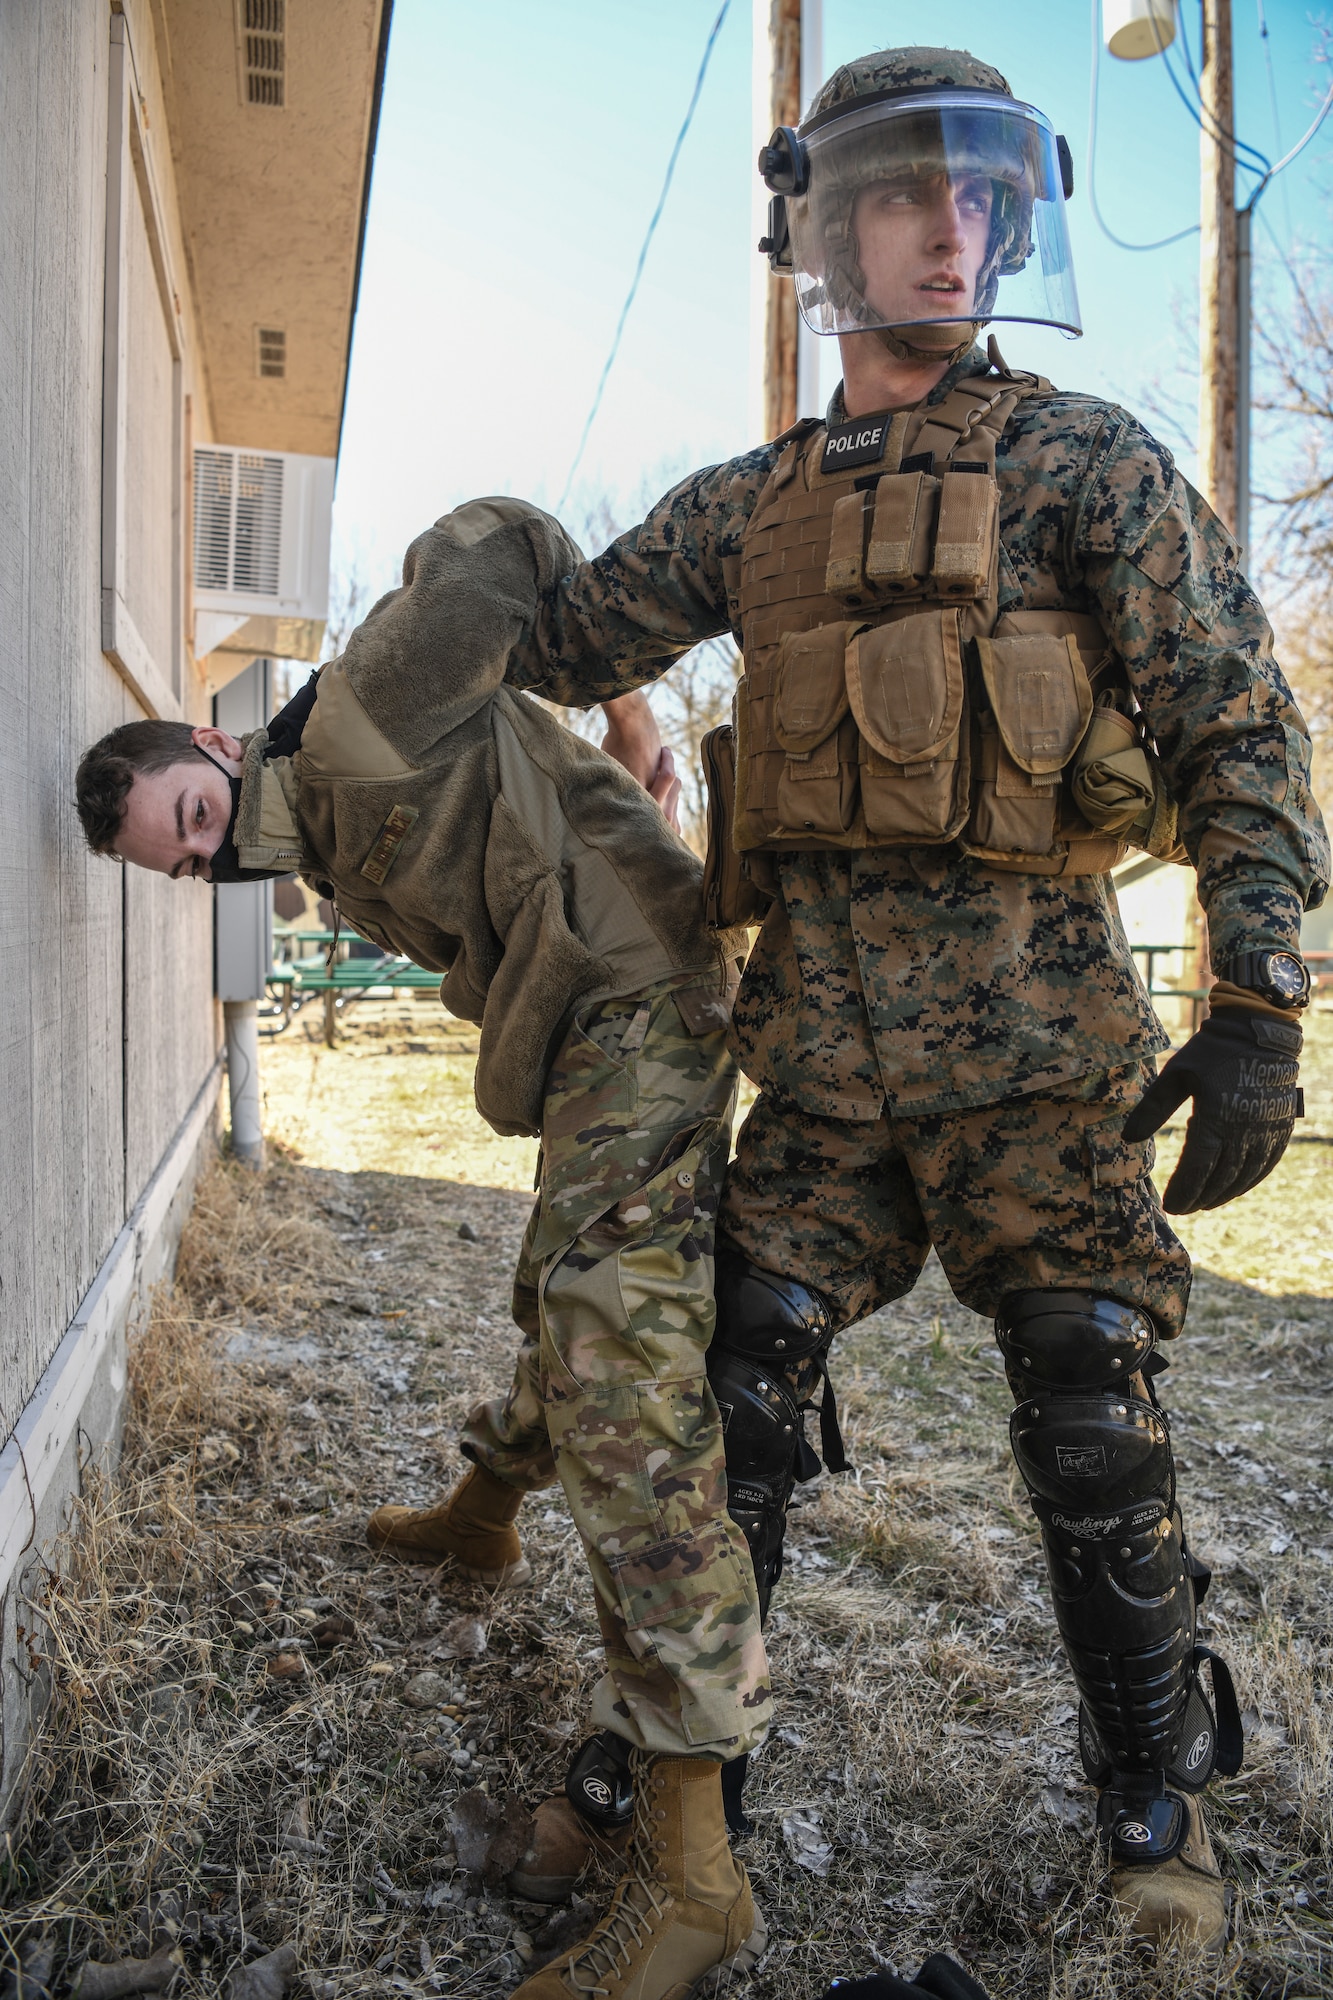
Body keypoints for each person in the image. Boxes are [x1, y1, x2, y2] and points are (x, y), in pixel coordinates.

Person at [479, 44, 1328, 1976]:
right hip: (823, 1081)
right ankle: (666, 1803)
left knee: (1092, 1421)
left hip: (1043, 1068)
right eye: (898, 196)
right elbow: (552, 632)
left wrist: (1261, 985)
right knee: (723, 1411)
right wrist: (350, 688)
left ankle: (1149, 1815)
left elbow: (1234, 727)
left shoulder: (1085, 458)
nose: (946, 231)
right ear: (823, 229)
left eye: (973, 200)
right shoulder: (749, 506)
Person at [73, 499, 771, 1998]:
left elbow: (498, 537)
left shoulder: (353, 723)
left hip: (644, 998)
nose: (203, 865)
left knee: (613, 1351)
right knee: (564, 1288)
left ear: (213, 751)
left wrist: (629, 711)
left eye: (192, 825)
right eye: (177, 872)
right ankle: (478, 1514)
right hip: (590, 1026)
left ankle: (696, 1861)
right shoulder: (324, 834)